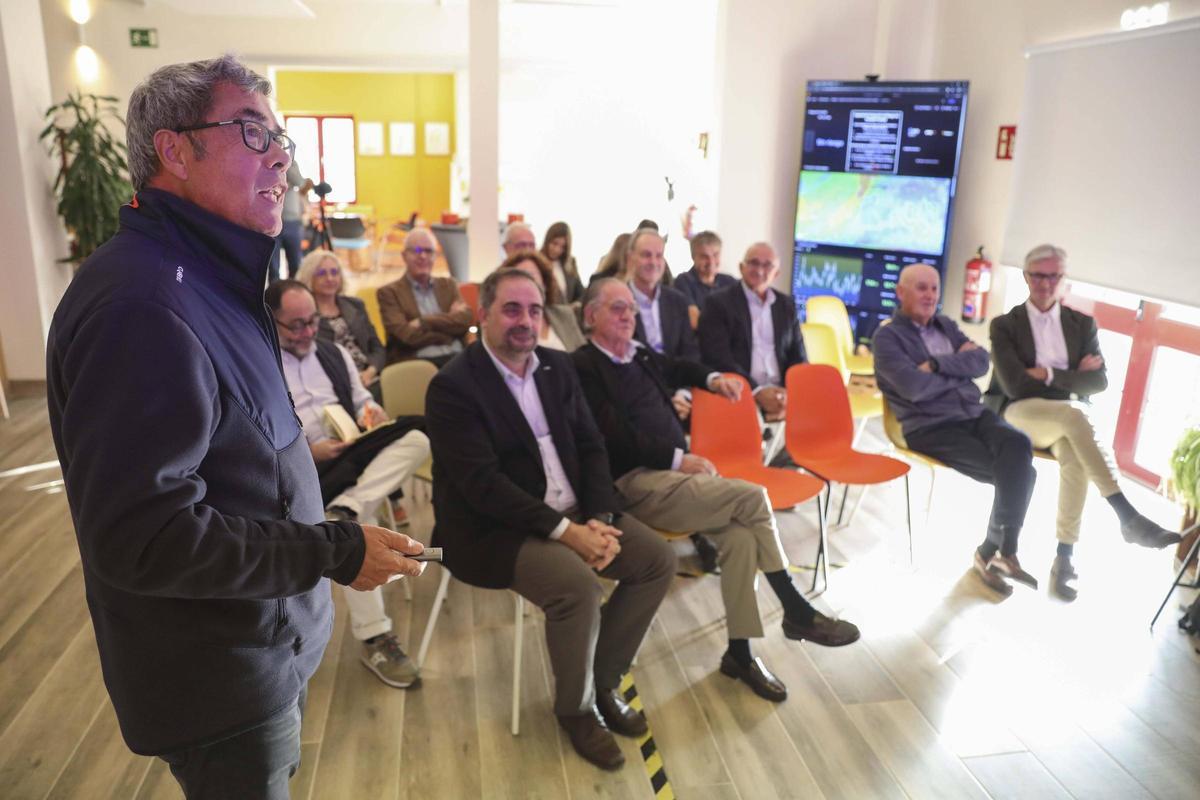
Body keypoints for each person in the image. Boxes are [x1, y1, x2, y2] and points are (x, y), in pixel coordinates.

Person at [45, 55, 423, 799]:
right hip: (222, 677)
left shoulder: (209, 276)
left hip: (263, 643)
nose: (282, 153)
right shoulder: (143, 306)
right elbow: (147, 537)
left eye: (280, 135)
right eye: (253, 132)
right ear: (175, 151)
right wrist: (333, 547)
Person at [424, 268, 676, 771]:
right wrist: (568, 534)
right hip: (494, 529)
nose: (525, 321)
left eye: (534, 310)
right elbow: (484, 486)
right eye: (512, 309)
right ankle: (576, 710)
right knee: (577, 587)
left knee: (657, 560)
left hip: (579, 510)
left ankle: (602, 680)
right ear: (483, 315)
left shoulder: (557, 368)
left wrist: (601, 517)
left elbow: (591, 445)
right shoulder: (452, 387)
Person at [573, 279, 860, 702]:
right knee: (750, 496)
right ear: (590, 316)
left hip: (673, 479)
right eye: (617, 309)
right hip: (634, 482)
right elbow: (610, 434)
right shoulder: (583, 366)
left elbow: (678, 366)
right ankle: (796, 610)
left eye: (631, 309)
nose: (628, 316)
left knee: (743, 538)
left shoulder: (637, 354)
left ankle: (739, 654)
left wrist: (712, 378)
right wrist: (677, 458)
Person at [987, 244, 1181, 599]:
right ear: (1027, 276)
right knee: (1075, 414)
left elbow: (1100, 381)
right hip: (1020, 412)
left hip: (1065, 417)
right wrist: (1070, 374)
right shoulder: (1005, 325)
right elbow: (1014, 383)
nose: (1046, 283)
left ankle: (1064, 557)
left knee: (1076, 456)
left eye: (1054, 275)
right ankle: (1126, 515)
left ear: (1063, 278)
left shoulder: (1082, 324)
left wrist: (1045, 372)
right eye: (1039, 275)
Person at [269, 279, 431, 687]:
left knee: (418, 436)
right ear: (270, 322)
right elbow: (259, 435)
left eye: (312, 322)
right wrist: (308, 448)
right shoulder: (261, 364)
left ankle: (352, 505)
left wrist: (372, 412)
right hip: (301, 467)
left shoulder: (333, 352)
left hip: (352, 453)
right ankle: (375, 635)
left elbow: (361, 401)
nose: (308, 333)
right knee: (354, 535)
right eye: (296, 326)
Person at [873, 263, 1037, 598]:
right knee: (1018, 474)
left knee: (1019, 446)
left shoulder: (945, 325)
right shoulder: (887, 337)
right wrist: (956, 371)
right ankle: (996, 553)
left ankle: (1001, 550)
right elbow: (914, 388)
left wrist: (936, 365)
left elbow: (981, 361)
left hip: (972, 413)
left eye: (934, 288)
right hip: (929, 425)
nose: (930, 295)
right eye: (921, 288)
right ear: (900, 292)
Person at [697, 242, 806, 423]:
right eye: (754, 263)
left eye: (767, 265)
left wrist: (788, 394)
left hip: (782, 392)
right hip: (739, 391)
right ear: (742, 267)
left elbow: (799, 356)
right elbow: (717, 358)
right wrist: (757, 391)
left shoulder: (786, 305)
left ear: (776, 273)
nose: (760, 270)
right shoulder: (718, 303)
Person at [377, 227, 473, 367]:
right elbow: (406, 336)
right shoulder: (389, 293)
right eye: (416, 250)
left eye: (428, 251)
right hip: (418, 364)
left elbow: (465, 320)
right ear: (404, 255)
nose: (423, 256)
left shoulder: (448, 285)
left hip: (457, 359)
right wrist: (448, 333)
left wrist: (423, 322)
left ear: (435, 256)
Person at [298, 249, 386, 397]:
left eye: (334, 272)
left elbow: (377, 347)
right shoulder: (305, 315)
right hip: (334, 384)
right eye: (321, 273)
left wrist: (370, 372)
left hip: (369, 377)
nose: (330, 278)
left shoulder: (356, 305)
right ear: (309, 278)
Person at [626, 227, 701, 362]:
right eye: (646, 255)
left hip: (676, 380)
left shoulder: (678, 301)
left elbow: (690, 353)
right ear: (631, 258)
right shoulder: (618, 301)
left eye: (659, 256)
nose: (653, 262)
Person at [500, 250, 587, 351]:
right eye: (519, 277)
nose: (526, 283)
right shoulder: (505, 320)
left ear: (545, 283)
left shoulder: (564, 314)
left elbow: (582, 353)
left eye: (531, 276)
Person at [673, 230, 736, 323]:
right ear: (693, 257)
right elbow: (695, 321)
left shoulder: (730, 282)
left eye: (715, 255)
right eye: (704, 256)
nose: (711, 262)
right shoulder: (683, 282)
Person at [269, 160, 308, 280]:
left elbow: (300, 182)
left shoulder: (291, 162)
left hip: (292, 221)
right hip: (271, 220)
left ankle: (295, 294)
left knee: (295, 263)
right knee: (273, 267)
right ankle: (274, 296)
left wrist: (287, 163)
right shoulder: (267, 159)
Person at [541, 220, 585, 305]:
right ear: (547, 240)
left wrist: (575, 305)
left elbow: (581, 293)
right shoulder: (537, 262)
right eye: (554, 243)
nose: (557, 250)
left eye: (563, 247)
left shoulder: (570, 263)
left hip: (566, 315)